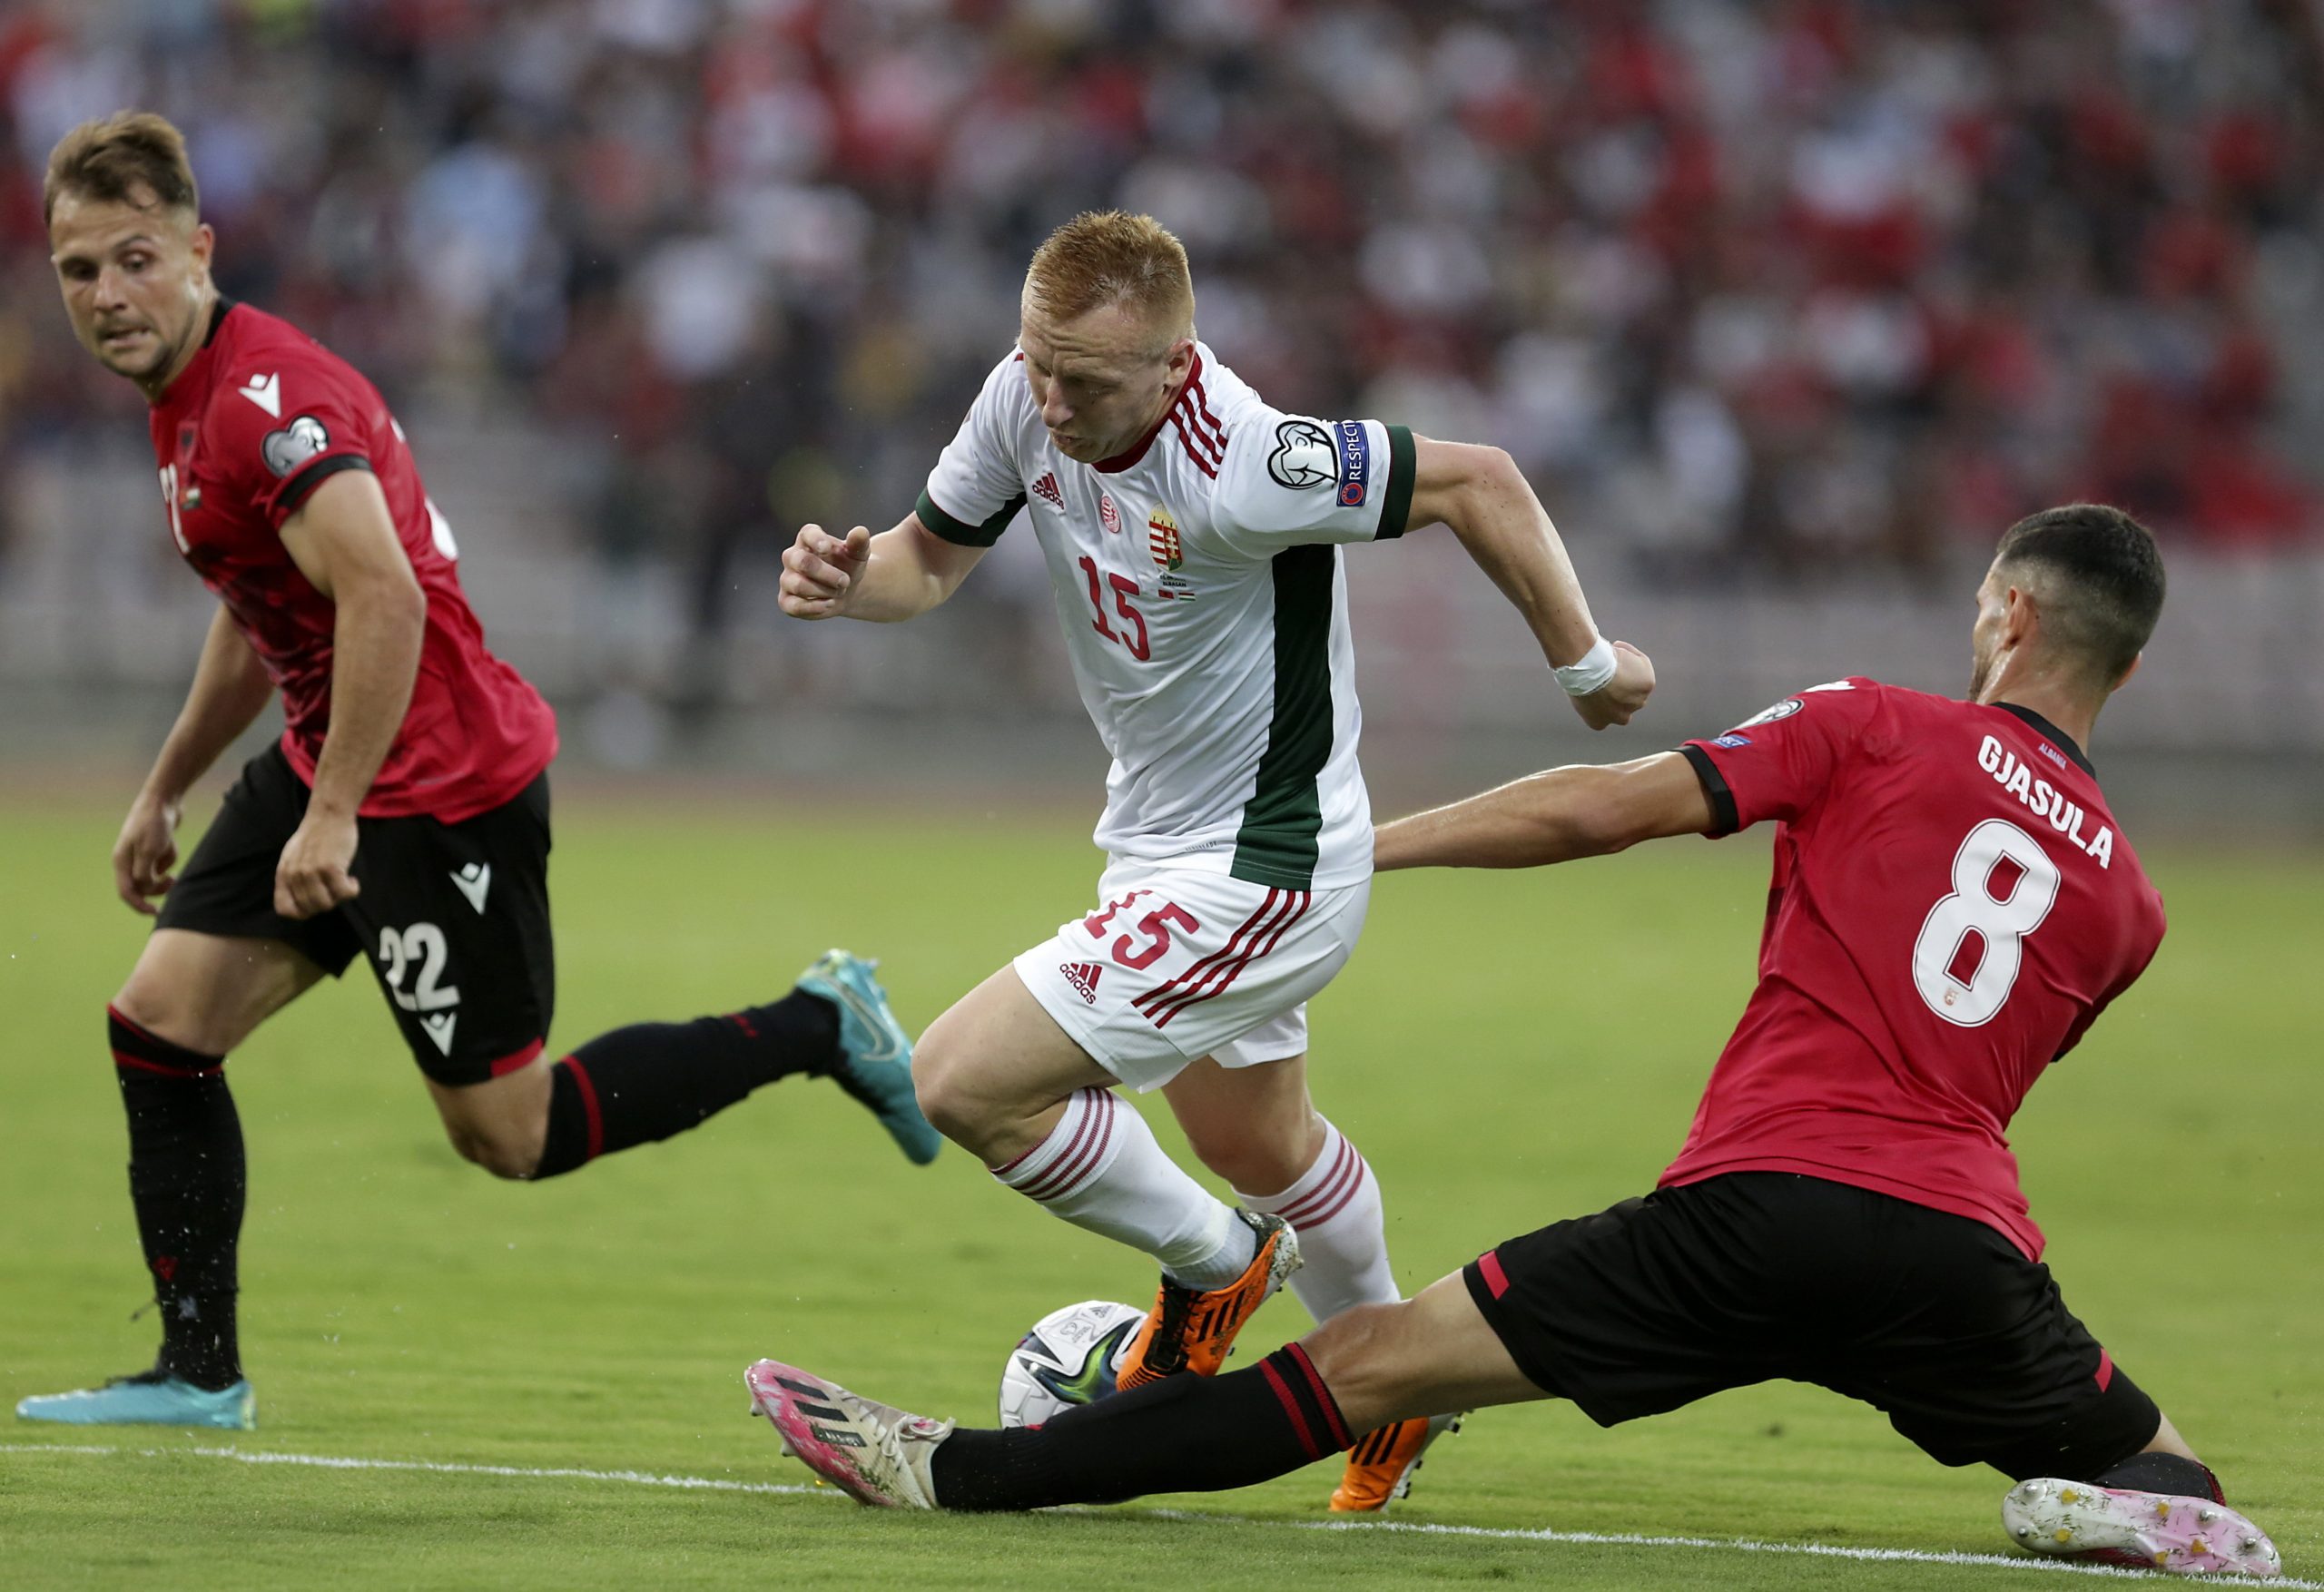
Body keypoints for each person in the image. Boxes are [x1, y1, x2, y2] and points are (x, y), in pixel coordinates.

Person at [746, 505, 2281, 1579]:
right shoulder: (2131, 906)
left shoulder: (1881, 721)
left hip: (1755, 1213)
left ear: (2008, 616)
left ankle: (956, 1469)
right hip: (1963, 1254)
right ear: (2126, 667)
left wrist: (1374, 850)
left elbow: (1601, 808)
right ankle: (2157, 1515)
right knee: (2164, 1466)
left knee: (1358, 1365)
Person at [18, 112, 939, 1434]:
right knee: (161, 1025)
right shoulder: (190, 406)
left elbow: (381, 598)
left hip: (440, 784)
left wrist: (332, 816)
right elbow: (256, 597)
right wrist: (164, 786)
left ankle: (819, 1022)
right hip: (331, 754)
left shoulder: (268, 407)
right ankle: (197, 1373)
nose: (107, 294)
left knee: (505, 1133)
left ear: (200, 249)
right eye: (79, 271)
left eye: (135, 258)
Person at [776, 211, 1654, 1510]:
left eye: (1086, 380)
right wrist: (857, 580)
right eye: (1038, 363)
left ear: (1176, 368)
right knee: (1264, 1137)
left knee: (960, 1081)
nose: (1053, 401)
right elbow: (929, 559)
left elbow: (1481, 480)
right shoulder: (1027, 399)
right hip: (1158, 843)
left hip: (1265, 865)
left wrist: (1587, 663)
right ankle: (1401, 1398)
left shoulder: (1252, 457)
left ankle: (1214, 1264)